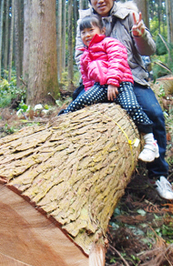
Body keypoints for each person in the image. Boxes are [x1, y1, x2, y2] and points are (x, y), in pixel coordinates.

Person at [74, 0, 173, 200]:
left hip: (131, 77)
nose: (100, 1)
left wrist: (140, 36)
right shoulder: (85, 22)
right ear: (90, 1)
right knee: (74, 110)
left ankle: (159, 175)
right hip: (98, 80)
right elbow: (79, 55)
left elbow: (149, 50)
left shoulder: (129, 16)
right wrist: (97, 75)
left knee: (155, 114)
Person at [63, 15, 159, 163]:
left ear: (102, 31)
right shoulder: (85, 55)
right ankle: (62, 120)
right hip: (100, 86)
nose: (87, 35)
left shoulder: (111, 43)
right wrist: (90, 93)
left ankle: (150, 141)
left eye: (91, 30)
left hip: (121, 83)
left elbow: (117, 61)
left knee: (132, 107)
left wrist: (113, 82)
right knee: (81, 100)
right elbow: (87, 78)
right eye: (83, 32)